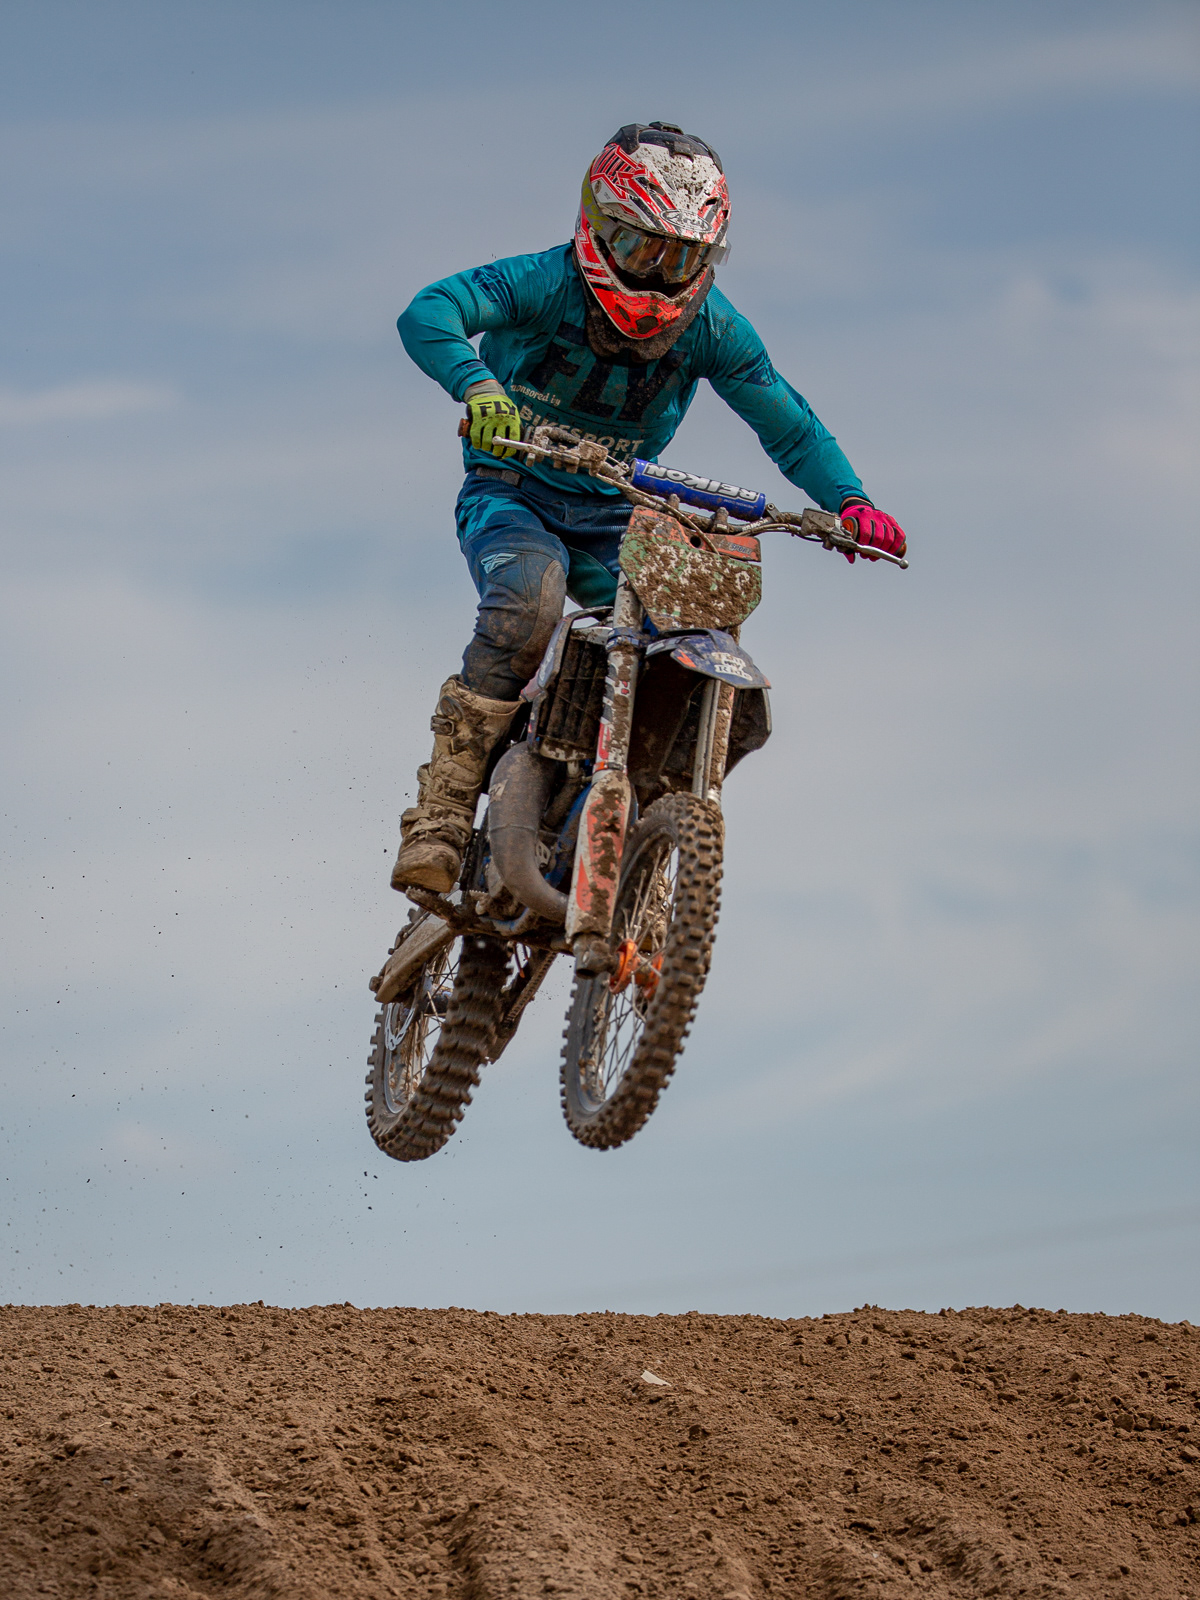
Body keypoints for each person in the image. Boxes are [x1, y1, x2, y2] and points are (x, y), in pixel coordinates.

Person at [391, 121, 906, 895]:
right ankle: (443, 811)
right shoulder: (543, 282)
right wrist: (480, 386)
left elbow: (789, 426)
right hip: (513, 491)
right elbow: (430, 311)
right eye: (642, 249)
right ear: (598, 225)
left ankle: (637, 815)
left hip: (617, 514)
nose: (661, 277)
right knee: (527, 605)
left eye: (682, 258)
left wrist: (851, 501)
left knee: (699, 643)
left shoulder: (714, 328)